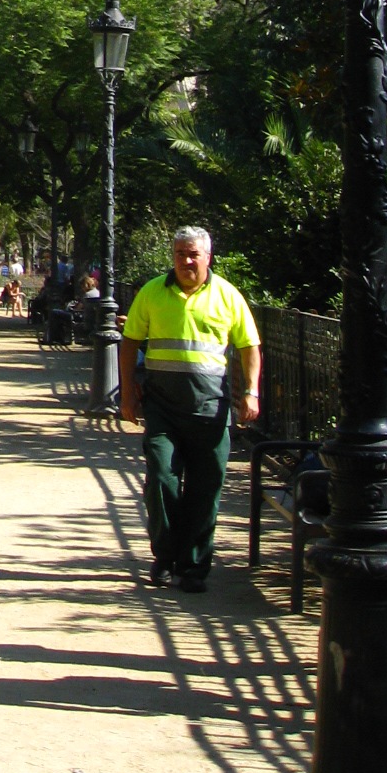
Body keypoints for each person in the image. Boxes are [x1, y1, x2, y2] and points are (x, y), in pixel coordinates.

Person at [118, 226, 260, 594]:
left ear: (208, 257)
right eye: (180, 253)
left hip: (209, 410)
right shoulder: (152, 292)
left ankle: (194, 566)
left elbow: (250, 346)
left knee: (205, 489)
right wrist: (128, 393)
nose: (186, 261)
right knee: (161, 478)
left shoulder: (227, 296)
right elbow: (130, 340)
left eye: (193, 254)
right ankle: (165, 557)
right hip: (162, 407)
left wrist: (251, 392)